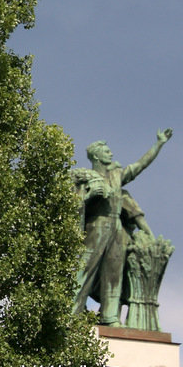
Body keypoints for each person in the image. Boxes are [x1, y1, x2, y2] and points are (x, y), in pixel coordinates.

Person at [73, 129, 172, 325]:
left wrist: (158, 144)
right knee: (84, 270)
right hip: (96, 226)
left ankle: (109, 317)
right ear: (96, 156)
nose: (110, 153)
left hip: (116, 227)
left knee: (114, 273)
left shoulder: (117, 175)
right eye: (106, 151)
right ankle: (72, 314)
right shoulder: (84, 177)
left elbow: (139, 166)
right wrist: (90, 195)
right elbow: (74, 203)